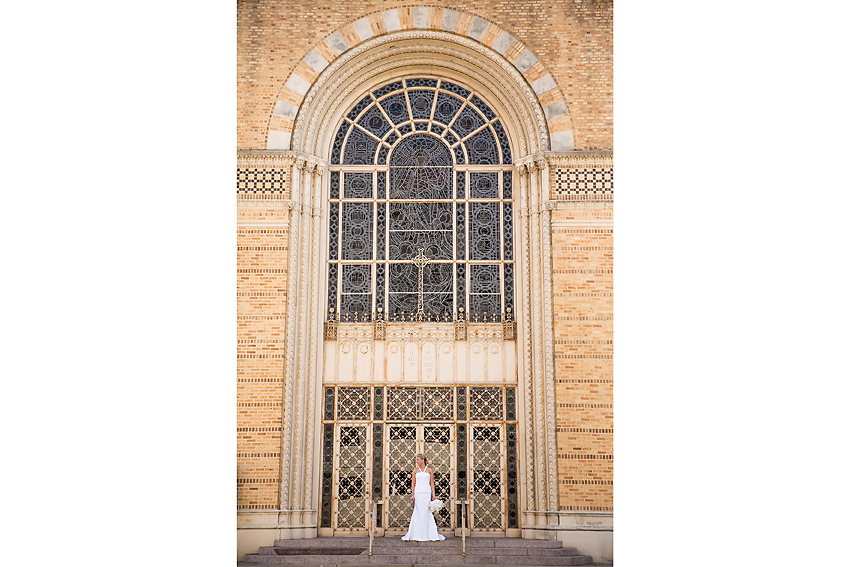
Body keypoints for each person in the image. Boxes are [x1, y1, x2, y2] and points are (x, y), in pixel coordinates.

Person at [401, 454, 445, 541]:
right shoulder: (415, 470)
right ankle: (416, 533)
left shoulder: (429, 470)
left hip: (426, 493)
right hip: (418, 493)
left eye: (418, 459)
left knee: (426, 512)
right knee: (418, 511)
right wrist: (412, 494)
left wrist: (433, 495)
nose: (416, 461)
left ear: (423, 460)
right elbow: (413, 483)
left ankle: (428, 533)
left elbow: (431, 483)